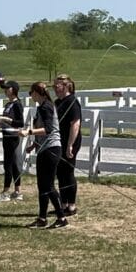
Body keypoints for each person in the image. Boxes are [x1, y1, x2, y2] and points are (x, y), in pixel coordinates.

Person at [20, 82, 68, 228]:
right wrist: (34, 144)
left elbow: (47, 129)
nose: (30, 95)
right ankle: (42, 218)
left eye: (31, 92)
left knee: (48, 185)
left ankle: (61, 218)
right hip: (44, 149)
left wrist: (28, 132)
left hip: (51, 149)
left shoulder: (46, 106)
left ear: (37, 92)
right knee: (42, 186)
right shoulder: (41, 107)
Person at [54, 73, 82, 216]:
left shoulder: (72, 101)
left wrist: (70, 145)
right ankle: (63, 203)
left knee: (68, 172)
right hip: (59, 141)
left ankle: (71, 205)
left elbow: (75, 124)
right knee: (60, 173)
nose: (54, 88)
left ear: (65, 86)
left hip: (70, 141)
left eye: (57, 85)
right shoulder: (57, 102)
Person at [0, 80, 25, 202]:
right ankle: (16, 191)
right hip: (6, 136)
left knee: (10, 164)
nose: (5, 90)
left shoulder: (17, 105)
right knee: (11, 164)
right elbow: (5, 123)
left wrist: (6, 119)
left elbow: (20, 123)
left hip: (13, 137)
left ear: (14, 90)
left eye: (8, 88)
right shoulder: (8, 105)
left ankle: (6, 192)